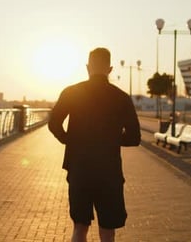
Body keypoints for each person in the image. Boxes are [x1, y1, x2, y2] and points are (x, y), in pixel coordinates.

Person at [48, 47, 141, 242]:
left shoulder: (72, 92)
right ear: (110, 68)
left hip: (79, 169)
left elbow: (54, 123)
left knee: (80, 227)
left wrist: (70, 140)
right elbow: (134, 138)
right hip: (109, 171)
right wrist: (113, 139)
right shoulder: (121, 97)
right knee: (107, 231)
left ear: (88, 67)